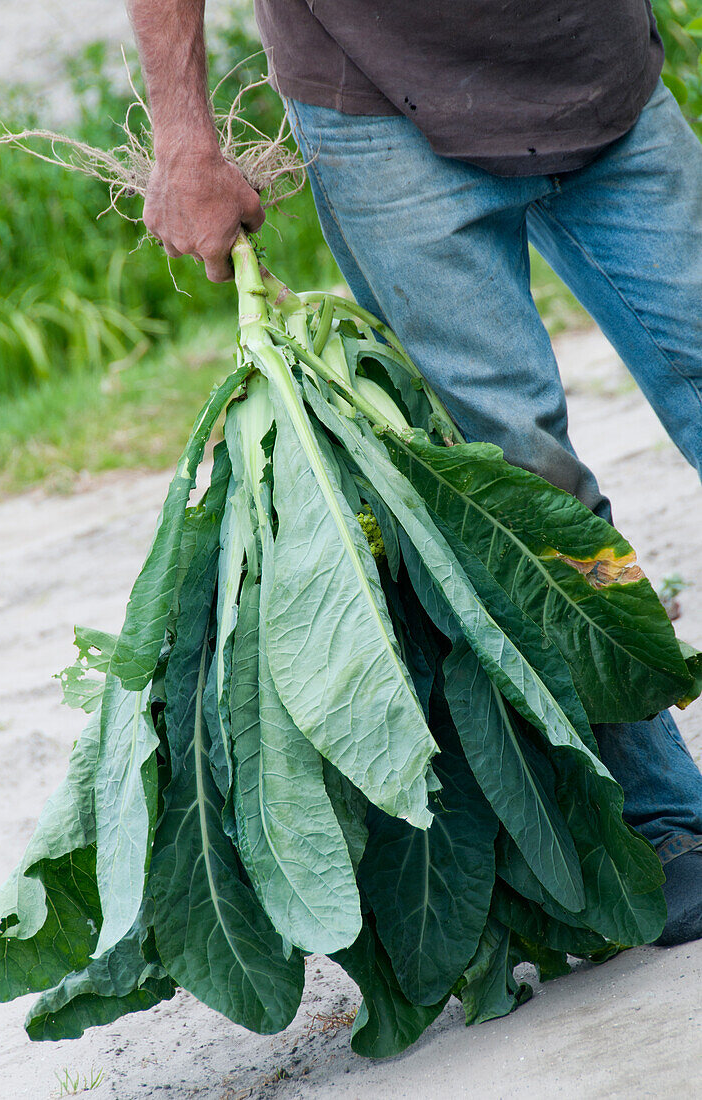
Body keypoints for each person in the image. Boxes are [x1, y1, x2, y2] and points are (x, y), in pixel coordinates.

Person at [125, 0, 702, 945]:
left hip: (595, 74)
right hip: (383, 112)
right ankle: (659, 819)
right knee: (519, 490)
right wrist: (186, 141)